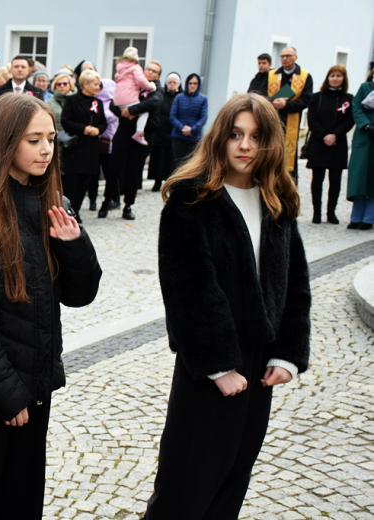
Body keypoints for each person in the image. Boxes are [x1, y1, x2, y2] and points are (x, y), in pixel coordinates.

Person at [0, 93, 102, 520]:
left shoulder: (55, 206)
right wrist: (7, 396)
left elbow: (81, 294)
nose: (46, 149)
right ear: (7, 141)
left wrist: (75, 246)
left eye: (50, 139)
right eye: (33, 140)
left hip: (35, 389)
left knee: (20, 503)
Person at [144, 92, 311, 520]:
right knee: (185, 485)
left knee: (232, 481)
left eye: (256, 137)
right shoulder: (190, 199)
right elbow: (187, 289)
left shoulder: (278, 201)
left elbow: (293, 285)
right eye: (236, 134)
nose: (245, 145)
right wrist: (220, 366)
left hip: (258, 366)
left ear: (270, 143)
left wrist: (287, 354)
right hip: (209, 364)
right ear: (220, 137)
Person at [109, 60, 164, 220]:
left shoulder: (157, 89)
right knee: (114, 166)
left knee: (134, 171)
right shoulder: (132, 82)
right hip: (125, 129)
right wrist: (124, 113)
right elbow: (114, 104)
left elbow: (153, 103)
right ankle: (108, 200)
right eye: (148, 69)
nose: (150, 72)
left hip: (145, 134)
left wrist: (131, 110)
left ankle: (128, 205)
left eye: (154, 71)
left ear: (158, 75)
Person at [306, 64, 355, 224]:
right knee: (317, 180)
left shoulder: (348, 99)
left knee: (335, 180)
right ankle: (317, 212)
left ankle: (331, 212)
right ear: (327, 78)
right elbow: (311, 119)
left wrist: (335, 135)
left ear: (343, 79)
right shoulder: (317, 97)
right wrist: (325, 135)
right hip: (319, 143)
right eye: (332, 76)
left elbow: (350, 120)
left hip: (338, 144)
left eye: (338, 76)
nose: (335, 79)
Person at [60, 69, 107, 221]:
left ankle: (77, 209)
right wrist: (84, 129)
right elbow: (65, 121)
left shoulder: (97, 102)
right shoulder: (72, 100)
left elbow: (103, 122)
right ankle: (66, 210)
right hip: (76, 147)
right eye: (95, 84)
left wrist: (98, 129)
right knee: (72, 181)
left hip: (91, 148)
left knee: (85, 181)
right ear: (85, 84)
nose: (98, 86)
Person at [269, 46, 313, 183]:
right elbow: (261, 94)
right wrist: (272, 101)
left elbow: (307, 100)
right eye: (282, 56)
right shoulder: (272, 75)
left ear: (296, 57)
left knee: (289, 163)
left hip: (291, 124)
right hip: (272, 120)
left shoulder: (305, 76)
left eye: (288, 56)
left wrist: (286, 105)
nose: (285, 59)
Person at [346, 68, 374, 230]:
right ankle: (356, 217)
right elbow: (356, 107)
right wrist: (366, 125)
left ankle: (369, 218)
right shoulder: (365, 87)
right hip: (364, 137)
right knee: (359, 178)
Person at [114, 47, 157, 146]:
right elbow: (140, 80)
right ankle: (139, 133)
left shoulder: (119, 67)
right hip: (128, 97)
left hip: (118, 99)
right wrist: (151, 87)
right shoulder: (135, 67)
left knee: (127, 113)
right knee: (144, 113)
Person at [148, 72, 181, 193]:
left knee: (171, 159)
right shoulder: (162, 95)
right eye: (170, 82)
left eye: (174, 82)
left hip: (174, 131)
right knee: (159, 159)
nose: (172, 85)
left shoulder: (180, 97)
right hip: (160, 131)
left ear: (178, 84)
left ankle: (171, 183)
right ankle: (157, 182)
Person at [170, 73, 208, 169]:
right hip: (178, 137)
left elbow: (203, 118)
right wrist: (182, 128)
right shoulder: (179, 97)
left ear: (199, 85)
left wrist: (192, 130)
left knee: (191, 166)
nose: (192, 85)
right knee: (178, 165)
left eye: (195, 83)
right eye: (190, 83)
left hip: (194, 138)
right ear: (186, 84)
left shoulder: (203, 99)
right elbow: (172, 116)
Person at [0, 56, 43, 122]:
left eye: (23, 67)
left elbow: (40, 115)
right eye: (16, 66)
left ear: (28, 70)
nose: (20, 69)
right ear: (11, 70)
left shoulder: (37, 92)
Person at [96, 78, 121, 218]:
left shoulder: (113, 103)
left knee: (109, 173)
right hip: (96, 142)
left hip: (108, 143)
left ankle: (112, 199)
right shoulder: (95, 101)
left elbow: (106, 117)